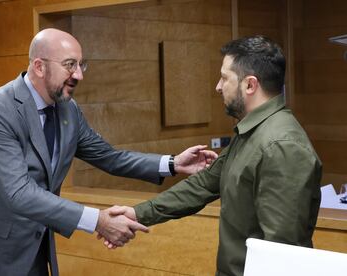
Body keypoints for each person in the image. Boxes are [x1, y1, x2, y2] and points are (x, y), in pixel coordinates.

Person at [0, 28, 218, 276]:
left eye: (81, 64)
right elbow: (19, 193)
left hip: (33, 251)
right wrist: (98, 221)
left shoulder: (67, 109)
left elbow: (108, 156)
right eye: (70, 65)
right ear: (39, 66)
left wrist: (171, 164)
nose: (79, 75)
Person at [104, 36, 322, 276]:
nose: (218, 87)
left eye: (225, 78)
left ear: (250, 85)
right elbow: (202, 185)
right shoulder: (252, 133)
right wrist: (137, 214)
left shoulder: (281, 146)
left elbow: (282, 252)